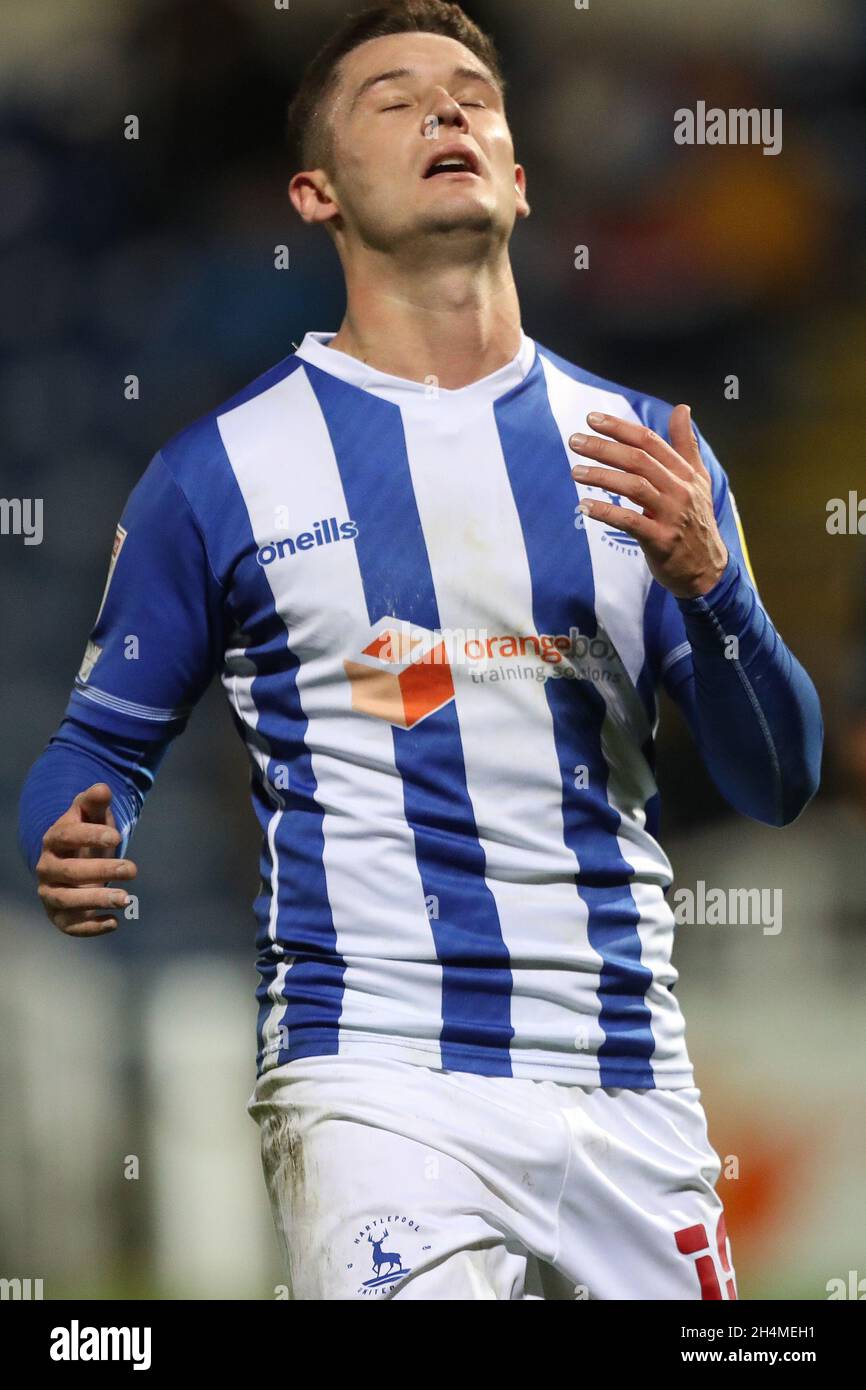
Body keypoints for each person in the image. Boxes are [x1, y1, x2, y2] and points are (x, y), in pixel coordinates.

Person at [18, 0, 822, 1300]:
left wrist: (716, 590)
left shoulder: (644, 454)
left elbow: (774, 782)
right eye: (392, 98)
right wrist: (62, 828)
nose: (444, 109)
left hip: (627, 1076)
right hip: (376, 1080)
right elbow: (96, 741)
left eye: (469, 94)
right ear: (315, 193)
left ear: (514, 172)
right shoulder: (220, 472)